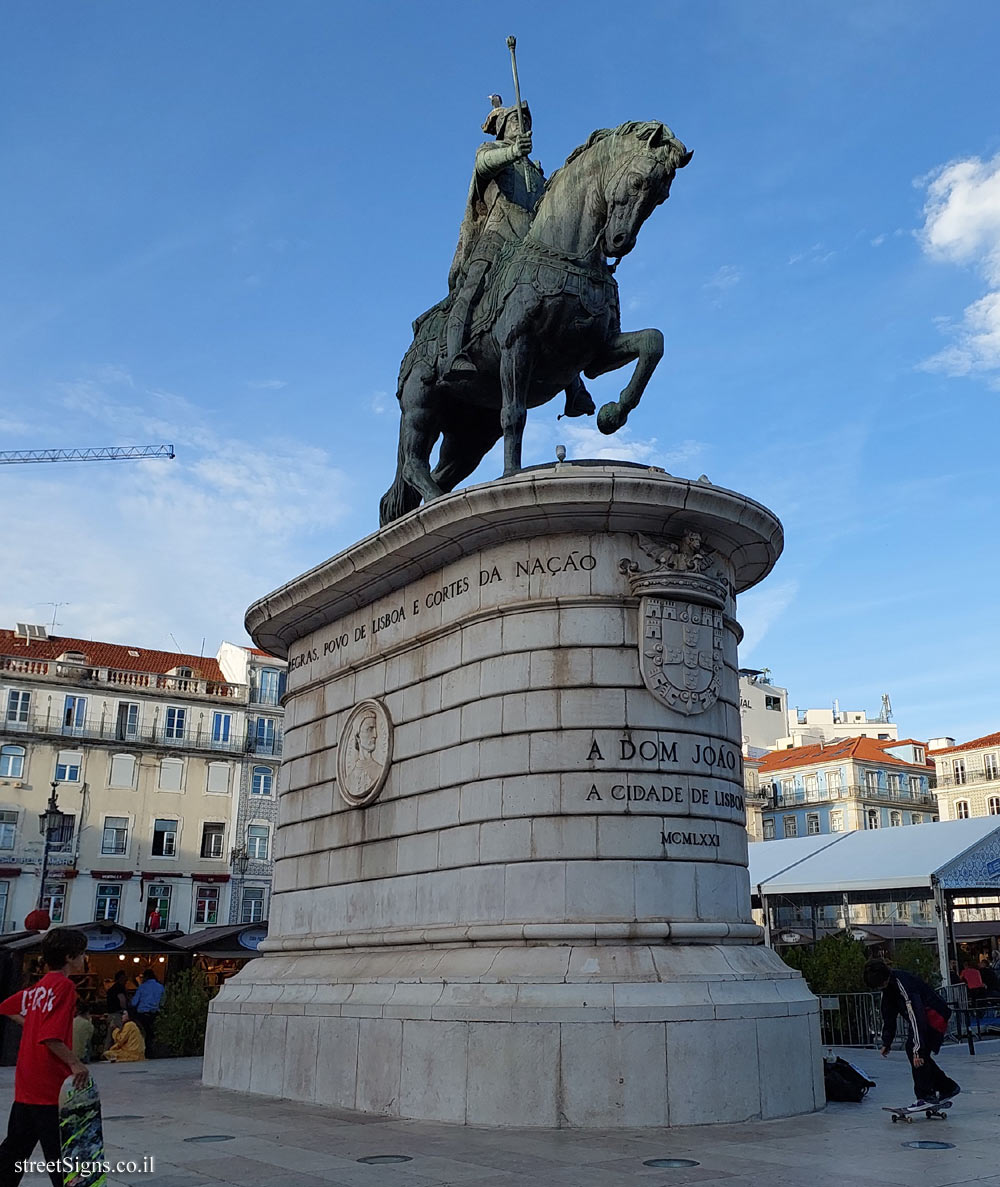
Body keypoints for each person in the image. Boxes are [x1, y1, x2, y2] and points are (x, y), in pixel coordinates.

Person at [444, 95, 594, 418]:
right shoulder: (491, 153)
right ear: (503, 129)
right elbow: (483, 167)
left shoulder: (536, 172)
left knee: (555, 297)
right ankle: (453, 355)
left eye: (526, 124)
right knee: (472, 286)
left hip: (528, 244)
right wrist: (513, 151)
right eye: (517, 122)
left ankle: (574, 386)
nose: (523, 127)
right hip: (497, 236)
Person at [0, 926, 90, 1186]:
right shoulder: (64, 987)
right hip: (51, 1086)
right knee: (61, 1156)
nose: (84, 959)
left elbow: (6, 1007)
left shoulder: (39, 987)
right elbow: (51, 1036)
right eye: (82, 954)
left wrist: (30, 1024)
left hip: (26, 1080)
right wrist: (76, 1063)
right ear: (70, 957)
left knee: (15, 1150)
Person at [864, 958, 960, 1104]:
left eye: (879, 985)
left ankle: (926, 1095)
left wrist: (918, 1049)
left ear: (884, 979)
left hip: (934, 1015)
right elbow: (888, 1014)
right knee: (919, 1054)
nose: (879, 988)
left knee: (917, 1053)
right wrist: (887, 1041)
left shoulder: (904, 985)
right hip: (923, 1017)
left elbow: (917, 1016)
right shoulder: (888, 987)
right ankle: (947, 1086)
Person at [130, 969, 165, 1047]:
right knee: (153, 1035)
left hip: (142, 1016)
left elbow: (134, 1003)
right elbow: (163, 1002)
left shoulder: (142, 987)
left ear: (145, 977)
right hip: (155, 1015)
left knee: (141, 1035)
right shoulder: (160, 987)